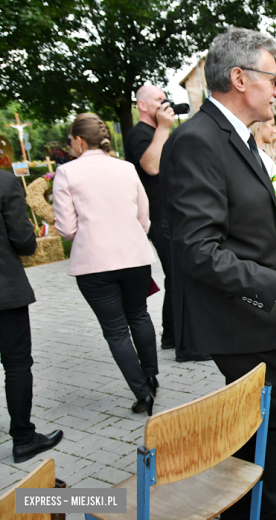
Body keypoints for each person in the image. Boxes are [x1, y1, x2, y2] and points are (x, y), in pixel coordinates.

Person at [160, 27, 276, 519]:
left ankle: (249, 509)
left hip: (254, 308)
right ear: (239, 78)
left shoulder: (235, 138)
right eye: (274, 78)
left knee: (261, 420)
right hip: (231, 316)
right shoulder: (197, 140)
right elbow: (198, 250)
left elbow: (254, 238)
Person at [53, 113, 160, 415]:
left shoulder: (67, 173)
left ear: (77, 140)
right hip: (135, 256)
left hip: (93, 262)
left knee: (115, 331)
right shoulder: (126, 168)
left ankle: (142, 392)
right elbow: (144, 217)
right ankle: (151, 376)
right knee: (139, 315)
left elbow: (66, 229)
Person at [123, 85, 204, 361]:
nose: (165, 104)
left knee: (177, 275)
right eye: (159, 100)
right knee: (180, 275)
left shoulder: (159, 131)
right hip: (159, 215)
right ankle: (186, 345)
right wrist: (163, 129)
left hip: (172, 212)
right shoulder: (139, 134)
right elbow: (151, 166)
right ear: (143, 106)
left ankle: (171, 334)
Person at [1, 169, 64, 463]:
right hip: (4, 291)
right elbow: (25, 241)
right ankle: (24, 439)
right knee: (15, 364)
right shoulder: (4, 181)